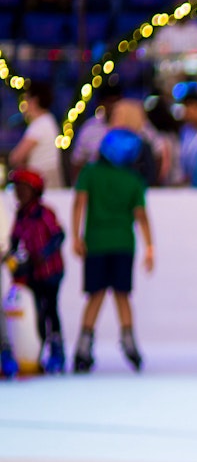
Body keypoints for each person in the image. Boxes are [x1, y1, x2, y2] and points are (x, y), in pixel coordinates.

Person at [70, 129, 154, 374]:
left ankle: (84, 347)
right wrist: (150, 246)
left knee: (95, 295)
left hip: (95, 242)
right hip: (123, 244)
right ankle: (130, 345)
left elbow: (79, 203)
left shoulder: (90, 173)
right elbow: (142, 216)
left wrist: (76, 236)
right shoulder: (132, 180)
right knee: (122, 295)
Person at [5, 170, 66, 373]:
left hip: (50, 272)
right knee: (37, 313)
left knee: (50, 310)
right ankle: (36, 352)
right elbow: (14, 240)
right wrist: (10, 256)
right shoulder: (20, 215)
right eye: (17, 189)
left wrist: (44, 253)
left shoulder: (43, 212)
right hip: (32, 274)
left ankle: (57, 352)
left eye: (23, 189)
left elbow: (58, 235)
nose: (19, 194)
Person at [8, 81, 64, 189]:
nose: (24, 104)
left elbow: (16, 157)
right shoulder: (49, 120)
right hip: (50, 177)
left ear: (34, 101)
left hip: (41, 180)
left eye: (26, 99)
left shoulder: (40, 124)